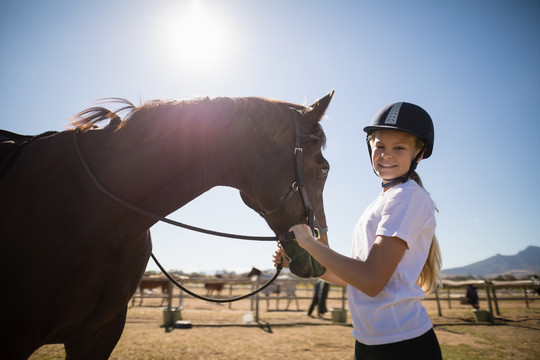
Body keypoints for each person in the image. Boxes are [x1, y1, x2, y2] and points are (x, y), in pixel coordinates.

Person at [274, 102, 443, 359]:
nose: (386, 154)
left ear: (418, 154)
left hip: (401, 345)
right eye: (380, 146)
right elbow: (353, 279)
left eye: (399, 147)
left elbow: (371, 281)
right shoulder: (385, 199)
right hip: (370, 341)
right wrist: (298, 261)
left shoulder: (407, 197)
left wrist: (310, 244)